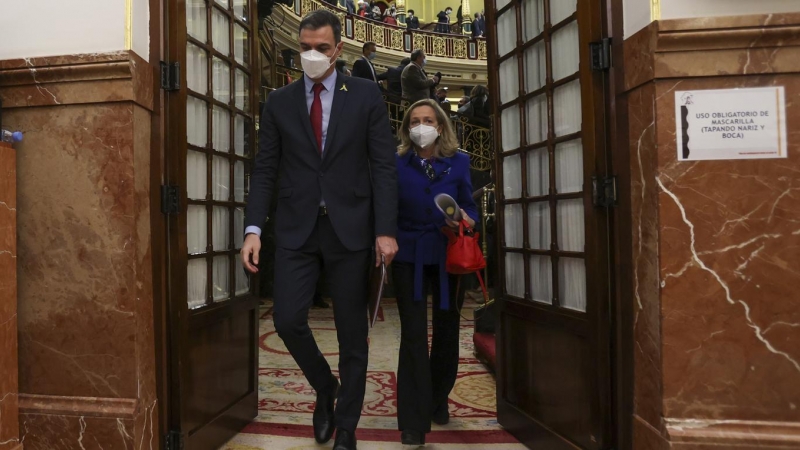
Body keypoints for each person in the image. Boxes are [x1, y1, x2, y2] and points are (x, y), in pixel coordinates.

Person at [241, 9, 398, 450]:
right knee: (288, 319)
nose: (312, 55)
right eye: (305, 48)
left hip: (351, 229)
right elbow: (266, 169)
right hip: (296, 228)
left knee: (352, 332)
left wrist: (386, 230)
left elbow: (384, 167)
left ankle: (346, 424)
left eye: (321, 49)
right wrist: (254, 228)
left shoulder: (366, 95)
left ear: (338, 51)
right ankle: (325, 387)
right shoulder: (279, 102)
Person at [392, 99, 478, 446]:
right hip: (407, 255)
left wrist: (464, 217)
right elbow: (386, 206)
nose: (421, 126)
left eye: (428, 120)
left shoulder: (461, 162)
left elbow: (470, 205)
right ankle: (413, 420)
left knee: (447, 330)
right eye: (415, 121)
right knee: (413, 334)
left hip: (448, 255)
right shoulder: (395, 163)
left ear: (440, 126)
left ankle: (438, 396)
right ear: (407, 128)